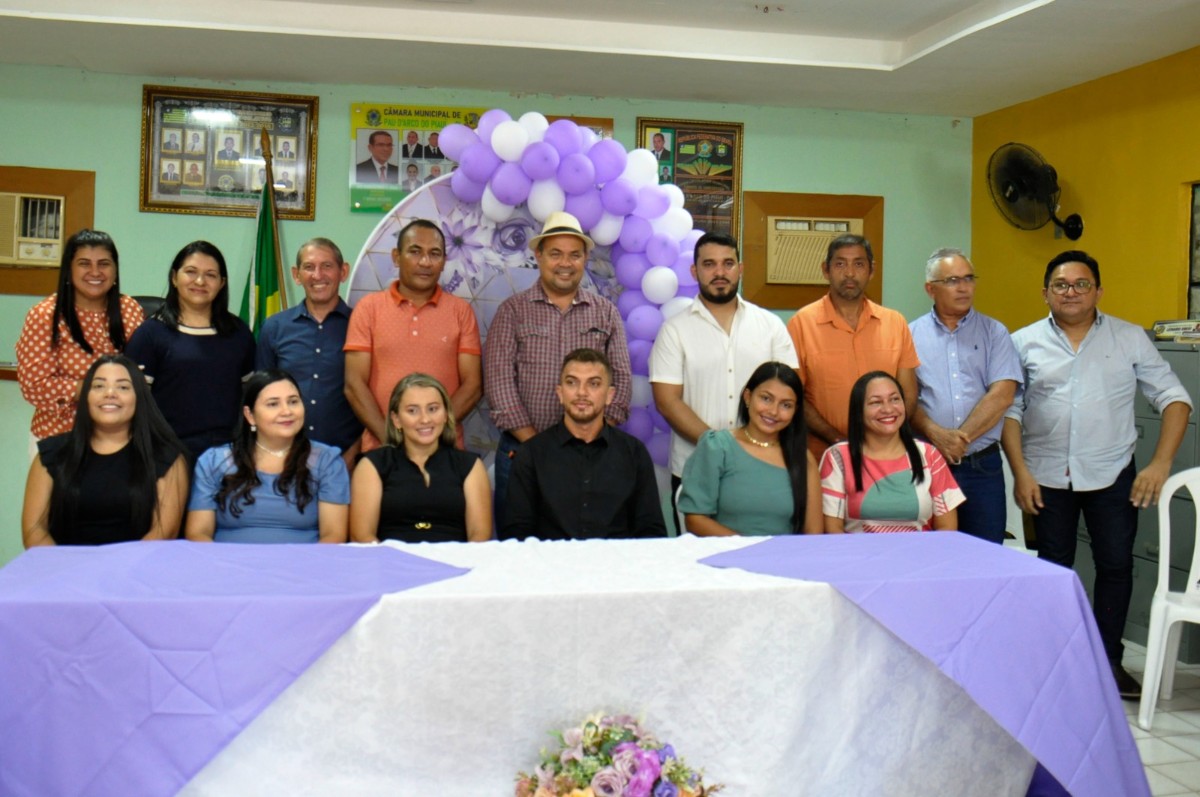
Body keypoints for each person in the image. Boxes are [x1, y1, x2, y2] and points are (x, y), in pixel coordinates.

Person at [1002, 250, 1193, 699]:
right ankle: (1051, 660)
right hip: (1046, 475)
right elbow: (1009, 413)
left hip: (1112, 474)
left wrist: (1161, 464)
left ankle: (1109, 659)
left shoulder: (1129, 339)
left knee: (1115, 565)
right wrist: (1021, 473)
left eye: (1082, 284)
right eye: (1062, 285)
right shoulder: (1022, 341)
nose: (1071, 292)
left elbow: (1175, 399)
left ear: (1098, 291)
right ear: (1046, 292)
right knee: (1053, 566)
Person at [484, 211, 632, 528]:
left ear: (585, 258)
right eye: (555, 254)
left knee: (585, 551)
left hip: (591, 457)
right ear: (538, 256)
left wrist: (581, 444)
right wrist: (540, 450)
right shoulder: (512, 311)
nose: (565, 263)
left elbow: (619, 384)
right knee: (518, 553)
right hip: (521, 455)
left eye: (574, 255)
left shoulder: (605, 313)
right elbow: (499, 388)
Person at [650, 231, 797, 531]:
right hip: (694, 468)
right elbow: (667, 402)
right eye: (709, 264)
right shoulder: (674, 330)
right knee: (696, 565)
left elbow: (789, 393)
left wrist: (746, 455)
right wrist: (721, 450)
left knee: (762, 559)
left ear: (740, 269)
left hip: (765, 468)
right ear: (695, 271)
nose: (719, 272)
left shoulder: (769, 326)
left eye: (728, 263)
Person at [909, 248, 1022, 543]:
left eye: (968, 278)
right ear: (930, 289)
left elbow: (1002, 395)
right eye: (952, 280)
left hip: (982, 467)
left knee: (984, 555)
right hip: (928, 462)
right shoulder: (910, 335)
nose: (963, 287)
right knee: (930, 554)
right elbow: (907, 400)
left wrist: (958, 440)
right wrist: (936, 435)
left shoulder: (994, 332)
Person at [21, 354, 190, 547]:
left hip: (135, 570)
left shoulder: (167, 457)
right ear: (86, 396)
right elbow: (34, 530)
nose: (110, 393)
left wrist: (114, 572)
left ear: (139, 397)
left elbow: (164, 532)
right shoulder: (50, 454)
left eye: (123, 387)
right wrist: (66, 570)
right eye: (99, 386)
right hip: (64, 571)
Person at [345, 219, 481, 453]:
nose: (425, 262)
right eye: (415, 252)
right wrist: (391, 440)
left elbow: (473, 386)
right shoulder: (368, 309)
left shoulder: (461, 312)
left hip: (444, 451)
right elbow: (354, 385)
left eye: (435, 254)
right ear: (396, 257)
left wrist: (431, 436)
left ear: (444, 262)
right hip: (382, 450)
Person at [500, 349, 666, 540]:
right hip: (551, 566)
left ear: (610, 395)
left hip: (617, 566)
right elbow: (516, 534)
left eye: (594, 384)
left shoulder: (634, 453)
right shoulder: (531, 454)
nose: (581, 392)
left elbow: (651, 531)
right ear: (560, 393)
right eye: (572, 382)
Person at [787, 234, 920, 459]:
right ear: (825, 270)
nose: (849, 273)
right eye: (840, 264)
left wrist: (882, 437)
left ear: (871, 270)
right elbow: (793, 396)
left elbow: (908, 394)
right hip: (823, 455)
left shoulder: (895, 322)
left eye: (858, 264)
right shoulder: (801, 323)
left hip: (886, 455)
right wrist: (837, 439)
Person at [125, 241, 255, 461]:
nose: (200, 281)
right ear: (175, 277)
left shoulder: (238, 332)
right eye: (191, 272)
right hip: (168, 454)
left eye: (211, 275)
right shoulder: (151, 333)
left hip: (228, 456)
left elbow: (250, 394)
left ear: (222, 283)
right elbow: (134, 403)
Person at [186, 370, 350, 544]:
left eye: (293, 401)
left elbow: (333, 536)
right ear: (250, 415)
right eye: (273, 404)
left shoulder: (327, 461)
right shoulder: (214, 461)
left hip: (302, 567)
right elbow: (198, 534)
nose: (287, 411)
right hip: (228, 567)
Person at [16, 229, 144, 440]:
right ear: (69, 270)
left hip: (120, 435)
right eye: (84, 263)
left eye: (104, 264)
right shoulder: (45, 315)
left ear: (115, 270)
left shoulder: (129, 309)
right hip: (61, 435)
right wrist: (97, 388)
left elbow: (140, 372)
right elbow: (34, 386)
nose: (95, 272)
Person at [678, 362, 821, 536]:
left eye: (786, 405)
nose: (774, 411)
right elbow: (695, 520)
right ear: (748, 397)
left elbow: (813, 533)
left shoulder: (803, 458)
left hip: (783, 559)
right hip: (726, 556)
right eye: (766, 398)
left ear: (795, 411)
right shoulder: (717, 446)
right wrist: (749, 549)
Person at [350, 373, 491, 543]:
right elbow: (362, 536)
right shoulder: (372, 465)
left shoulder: (470, 465)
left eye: (433, 409)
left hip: (454, 564)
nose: (425, 419)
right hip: (390, 564)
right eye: (412, 411)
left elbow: (480, 537)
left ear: (446, 414)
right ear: (396, 420)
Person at [257, 238, 362, 466]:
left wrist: (353, 456)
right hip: (284, 461)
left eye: (327, 266)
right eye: (308, 267)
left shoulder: (362, 326)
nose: (317, 275)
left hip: (346, 461)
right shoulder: (274, 327)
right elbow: (261, 397)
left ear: (343, 272)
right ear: (296, 275)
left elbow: (374, 396)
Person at [820, 371, 964, 533]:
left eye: (895, 399)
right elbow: (832, 531)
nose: (888, 409)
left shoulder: (928, 454)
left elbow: (947, 528)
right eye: (876, 402)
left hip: (920, 556)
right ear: (858, 411)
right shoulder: (838, 457)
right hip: (858, 556)